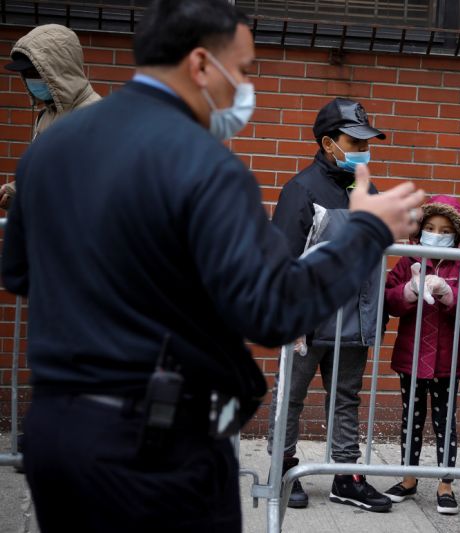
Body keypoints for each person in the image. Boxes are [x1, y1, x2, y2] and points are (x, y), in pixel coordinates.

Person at [0, 1, 424, 532]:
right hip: (160, 448)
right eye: (243, 70)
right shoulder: (204, 166)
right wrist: (368, 229)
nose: (245, 89)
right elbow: (274, 308)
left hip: (60, 434)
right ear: (202, 65)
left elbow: (19, 273)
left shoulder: (49, 148)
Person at [266, 97, 393, 512]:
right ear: (327, 143)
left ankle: (347, 475)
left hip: (352, 319)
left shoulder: (366, 188)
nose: (361, 151)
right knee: (293, 395)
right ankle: (283, 468)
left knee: (345, 397)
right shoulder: (300, 189)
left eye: (365, 143)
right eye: (353, 143)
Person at [381, 195, 460, 515]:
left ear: (456, 234)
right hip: (410, 357)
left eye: (444, 229)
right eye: (430, 227)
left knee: (444, 421)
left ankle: (446, 483)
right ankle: (408, 477)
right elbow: (389, 298)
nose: (436, 233)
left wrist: (448, 292)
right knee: (410, 419)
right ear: (420, 229)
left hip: (448, 360)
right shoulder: (407, 259)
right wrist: (409, 291)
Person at [1, 24, 101, 209]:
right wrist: (16, 191)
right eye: (25, 74)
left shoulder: (95, 116)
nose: (30, 79)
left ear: (59, 69)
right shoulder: (46, 115)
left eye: (35, 72)